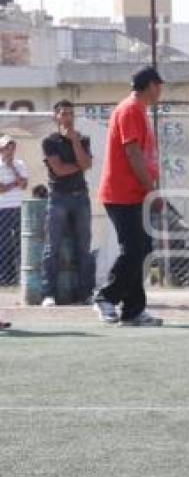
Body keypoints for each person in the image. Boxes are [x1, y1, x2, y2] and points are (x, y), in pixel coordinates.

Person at [93, 66, 164, 326]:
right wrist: (151, 190)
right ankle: (105, 296)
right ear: (150, 85)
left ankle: (133, 310)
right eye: (159, 86)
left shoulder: (137, 110)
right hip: (122, 193)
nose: (160, 91)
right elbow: (133, 153)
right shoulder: (131, 109)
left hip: (132, 193)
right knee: (134, 248)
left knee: (141, 248)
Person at [40, 100, 95, 307]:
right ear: (56, 117)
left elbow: (87, 164)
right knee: (51, 247)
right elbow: (59, 169)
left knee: (84, 247)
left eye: (71, 114)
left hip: (81, 197)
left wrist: (75, 143)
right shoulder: (49, 142)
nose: (68, 118)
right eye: (63, 114)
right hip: (58, 198)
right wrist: (78, 166)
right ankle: (48, 293)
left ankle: (85, 293)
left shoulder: (83, 140)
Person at [0, 135, 27, 286]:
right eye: (6, 148)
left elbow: (24, 184)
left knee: (19, 242)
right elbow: (1, 189)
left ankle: (18, 276)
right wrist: (15, 183)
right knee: (3, 243)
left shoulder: (20, 164)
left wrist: (13, 169)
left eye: (11, 147)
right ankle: (4, 277)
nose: (9, 151)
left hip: (18, 206)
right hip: (2, 208)